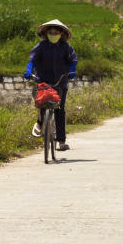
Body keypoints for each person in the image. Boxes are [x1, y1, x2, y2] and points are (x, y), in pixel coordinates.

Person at [24, 18, 77, 147]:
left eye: (56, 33)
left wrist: (71, 72)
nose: (53, 35)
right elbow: (32, 60)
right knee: (42, 104)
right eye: (51, 33)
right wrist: (28, 70)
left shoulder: (66, 48)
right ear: (47, 33)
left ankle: (61, 141)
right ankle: (40, 123)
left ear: (61, 34)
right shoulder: (41, 46)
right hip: (43, 80)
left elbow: (73, 61)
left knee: (60, 109)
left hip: (60, 81)